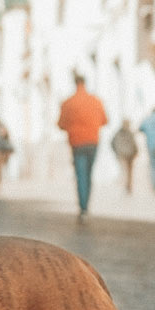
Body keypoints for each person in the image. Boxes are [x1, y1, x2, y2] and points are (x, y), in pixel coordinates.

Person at [57, 71, 107, 221]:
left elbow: (61, 124)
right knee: (88, 174)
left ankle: (83, 207)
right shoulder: (96, 101)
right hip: (92, 141)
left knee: (81, 175)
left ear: (75, 83)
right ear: (85, 83)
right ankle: (86, 205)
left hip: (77, 142)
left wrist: (73, 126)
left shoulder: (68, 102)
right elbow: (104, 120)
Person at [111, 118, 138, 194]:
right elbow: (134, 143)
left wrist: (116, 151)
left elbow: (112, 143)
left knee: (125, 170)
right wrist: (136, 152)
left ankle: (127, 185)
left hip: (122, 155)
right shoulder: (130, 132)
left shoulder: (118, 133)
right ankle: (128, 185)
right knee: (129, 171)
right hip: (130, 155)